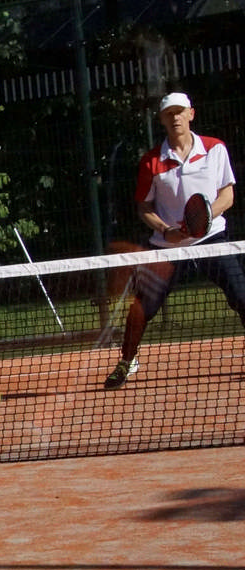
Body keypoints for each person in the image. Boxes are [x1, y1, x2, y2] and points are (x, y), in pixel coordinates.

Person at [104, 91, 241, 388]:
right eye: (169, 113)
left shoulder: (215, 149)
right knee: (140, 309)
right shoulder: (151, 161)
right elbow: (144, 208)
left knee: (242, 295)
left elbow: (227, 195)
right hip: (167, 246)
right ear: (162, 120)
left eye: (180, 111)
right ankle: (127, 361)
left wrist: (202, 219)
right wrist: (167, 230)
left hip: (213, 238)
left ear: (191, 114)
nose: (175, 117)